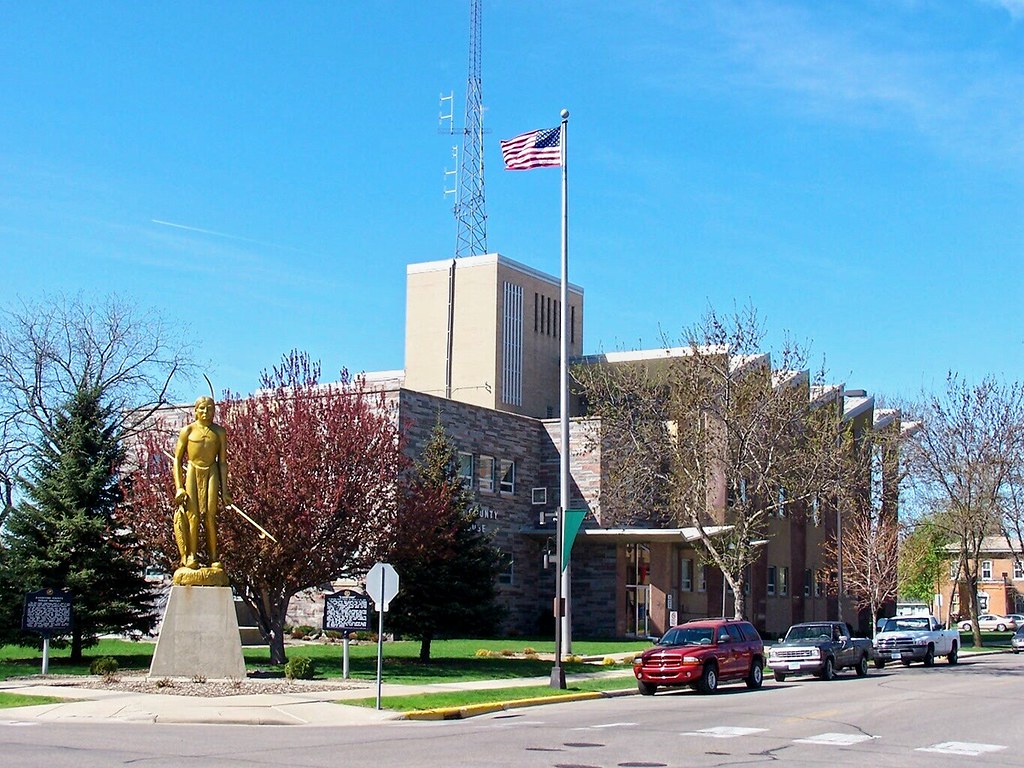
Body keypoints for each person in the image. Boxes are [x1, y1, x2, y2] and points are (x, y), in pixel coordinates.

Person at [173, 396, 232, 571]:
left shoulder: (219, 432)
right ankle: (191, 555)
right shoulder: (188, 431)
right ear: (196, 410)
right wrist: (179, 487)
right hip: (192, 470)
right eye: (202, 409)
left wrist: (225, 490)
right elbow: (177, 460)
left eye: (210, 409)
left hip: (212, 471)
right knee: (193, 516)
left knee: (210, 516)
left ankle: (214, 557)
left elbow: (222, 462)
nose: (206, 412)